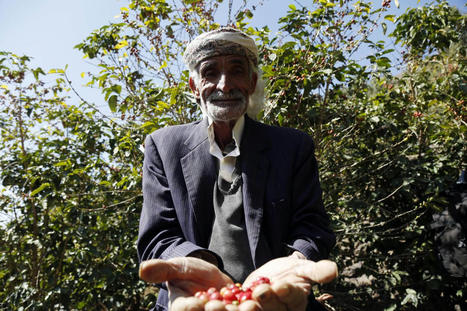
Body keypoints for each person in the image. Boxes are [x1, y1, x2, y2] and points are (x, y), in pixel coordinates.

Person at [137, 27, 337, 311]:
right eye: (210, 72)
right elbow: (157, 237)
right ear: (194, 87)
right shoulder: (164, 145)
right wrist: (194, 266)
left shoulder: (292, 146)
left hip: (278, 298)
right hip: (194, 298)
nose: (224, 85)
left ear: (252, 81)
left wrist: (297, 262)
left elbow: (312, 226)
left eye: (237, 71)